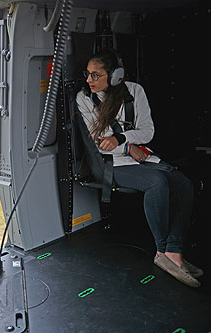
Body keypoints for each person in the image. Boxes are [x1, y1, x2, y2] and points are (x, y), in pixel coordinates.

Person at [76, 49, 203, 288]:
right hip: (110, 164)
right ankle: (162, 252)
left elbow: (148, 131)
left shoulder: (134, 91)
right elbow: (100, 142)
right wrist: (126, 147)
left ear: (115, 76)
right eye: (88, 74)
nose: (89, 80)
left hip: (140, 157)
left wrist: (124, 140)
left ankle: (174, 253)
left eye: (96, 75)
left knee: (184, 184)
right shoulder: (84, 98)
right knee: (157, 182)